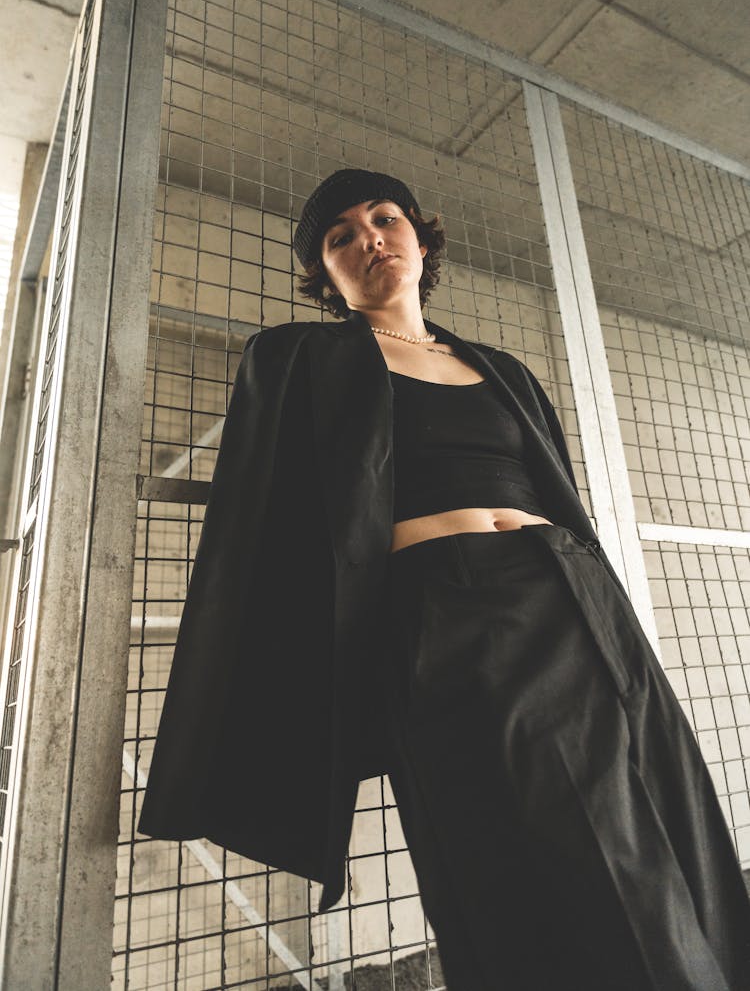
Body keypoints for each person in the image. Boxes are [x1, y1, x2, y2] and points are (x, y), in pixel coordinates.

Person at [139, 168, 750, 990]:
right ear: (326, 276)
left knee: (656, 819)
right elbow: (258, 529)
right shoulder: (298, 358)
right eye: (341, 236)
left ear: (422, 240)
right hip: (446, 613)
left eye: (385, 218)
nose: (369, 238)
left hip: (578, 601)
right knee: (541, 847)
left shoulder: (501, 370)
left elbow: (558, 495)